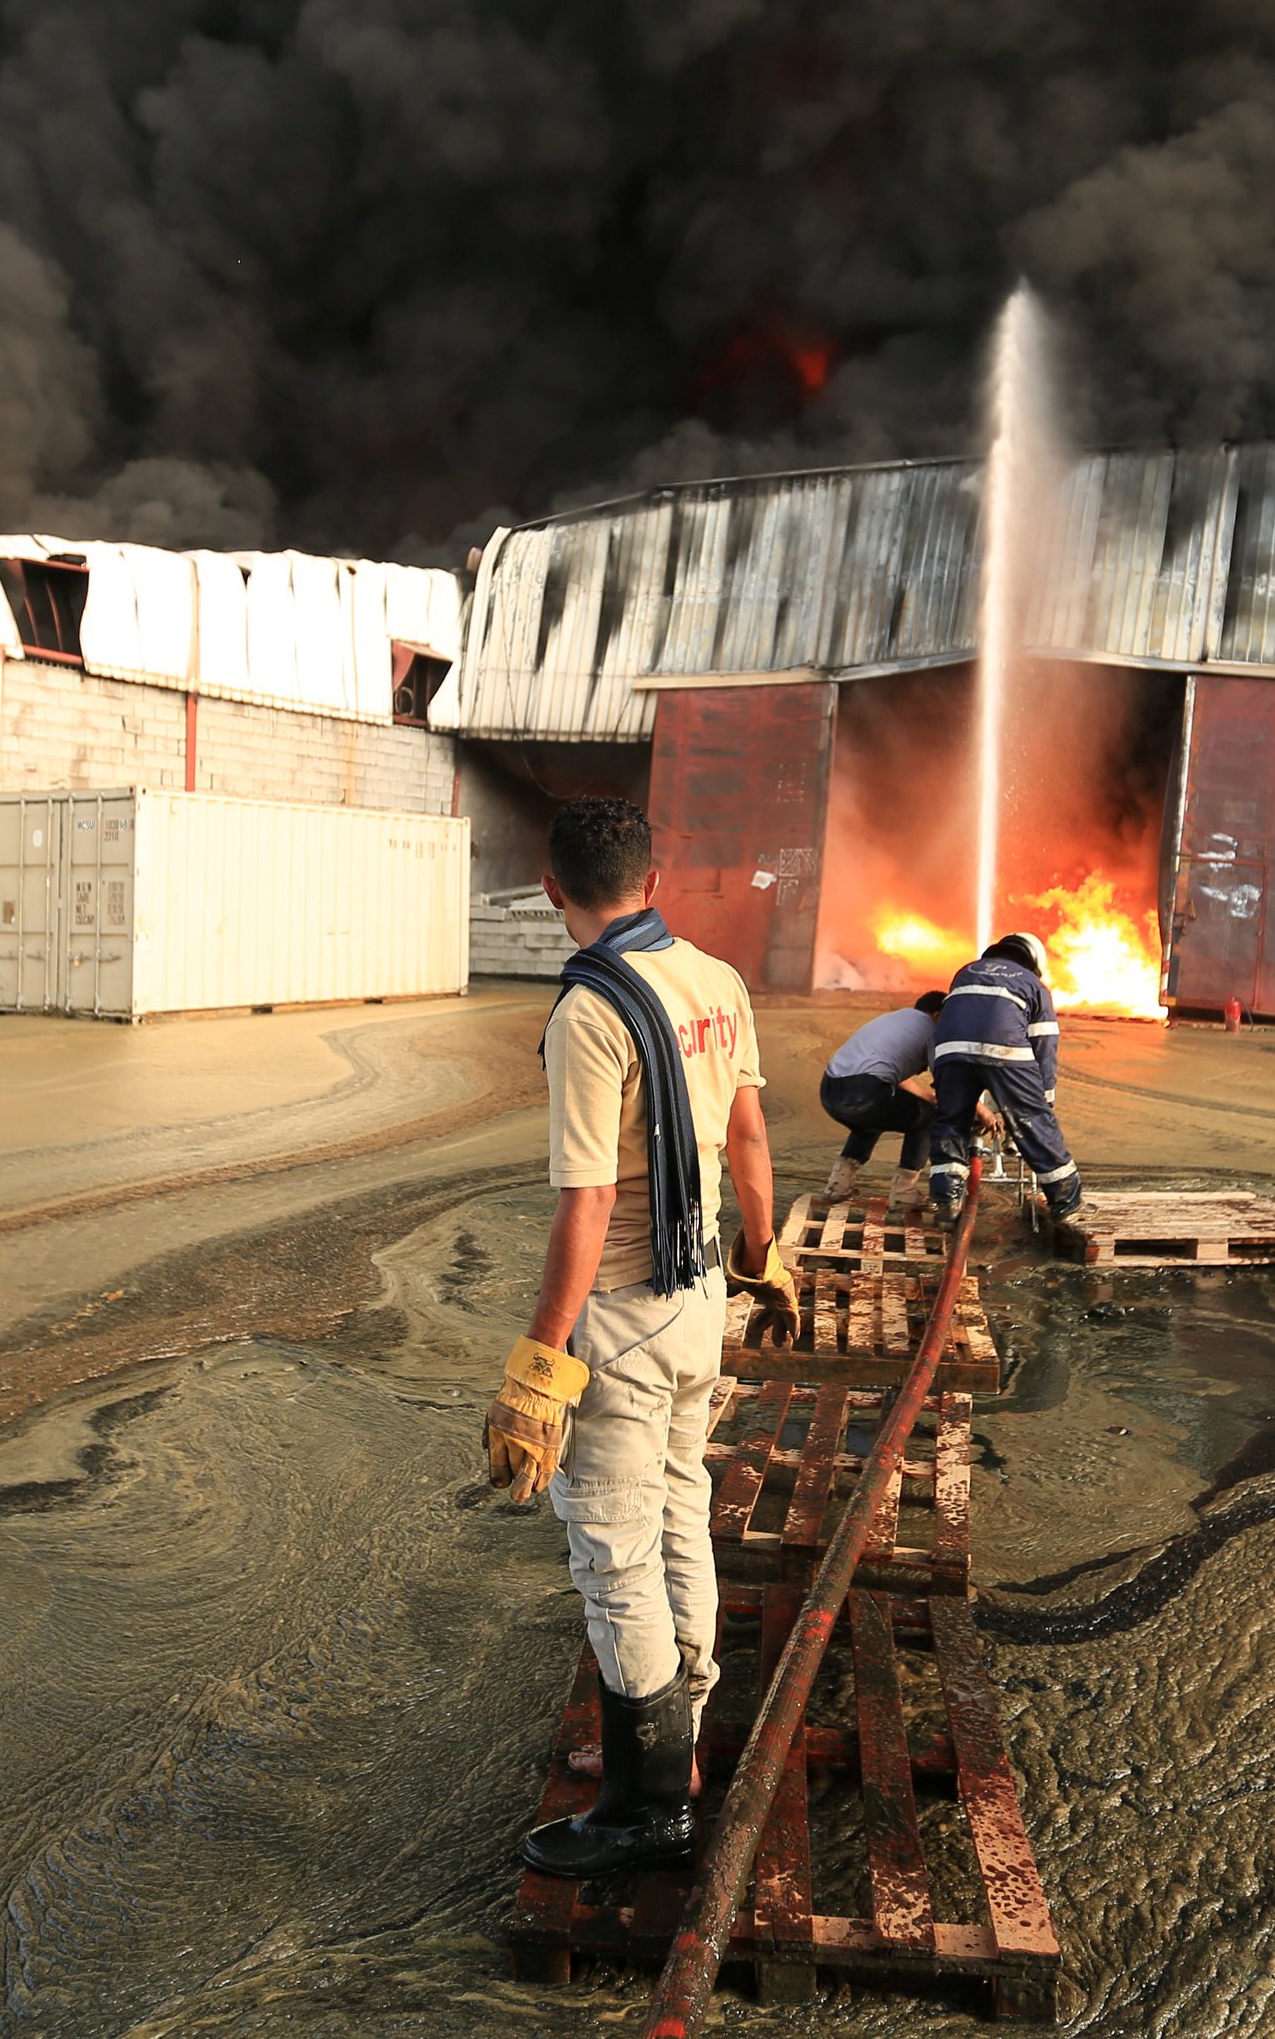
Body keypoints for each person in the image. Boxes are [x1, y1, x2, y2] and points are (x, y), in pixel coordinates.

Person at [479, 797, 794, 1879]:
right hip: (700, 1294)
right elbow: (749, 1129)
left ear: (551, 886)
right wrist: (765, 1253)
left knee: (612, 1550)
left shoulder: (587, 1014)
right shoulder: (715, 978)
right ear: (653, 882)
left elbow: (585, 1203)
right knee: (676, 1513)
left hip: (616, 1311)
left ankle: (647, 1805)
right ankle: (677, 1736)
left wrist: (536, 1368)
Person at [924, 932, 1084, 1229]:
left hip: (950, 1052)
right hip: (1004, 1048)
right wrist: (1043, 1101)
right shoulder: (1033, 984)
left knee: (951, 1120)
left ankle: (946, 1202)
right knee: (1032, 1119)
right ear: (1033, 960)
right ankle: (1066, 1200)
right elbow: (1044, 1046)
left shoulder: (965, 972)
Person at [816, 990, 945, 1211]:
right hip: (864, 1093)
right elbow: (947, 1078)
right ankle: (904, 1194)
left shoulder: (898, 1020)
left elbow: (893, 1075)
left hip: (830, 1091)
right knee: (928, 1118)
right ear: (936, 1014)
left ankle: (838, 1186)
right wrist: (981, 1110)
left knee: (869, 1123)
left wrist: (926, 1095)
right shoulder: (931, 1030)